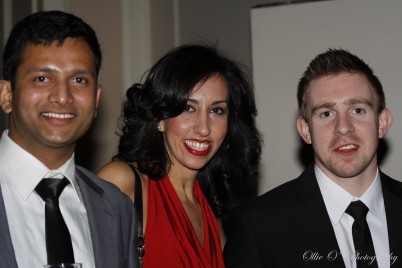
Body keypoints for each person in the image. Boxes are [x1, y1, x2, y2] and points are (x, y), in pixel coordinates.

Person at [223, 48, 402, 268]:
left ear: (382, 122)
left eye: (357, 110)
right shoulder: (258, 227)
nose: (343, 128)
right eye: (326, 114)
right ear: (305, 130)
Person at [97, 44, 262, 268]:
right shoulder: (122, 182)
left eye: (217, 110)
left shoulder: (212, 215)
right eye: (188, 108)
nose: (203, 128)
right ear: (159, 118)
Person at [0, 11, 135, 268]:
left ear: (95, 99)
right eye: (42, 78)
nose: (62, 97)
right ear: (7, 95)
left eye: (78, 80)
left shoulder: (117, 208)